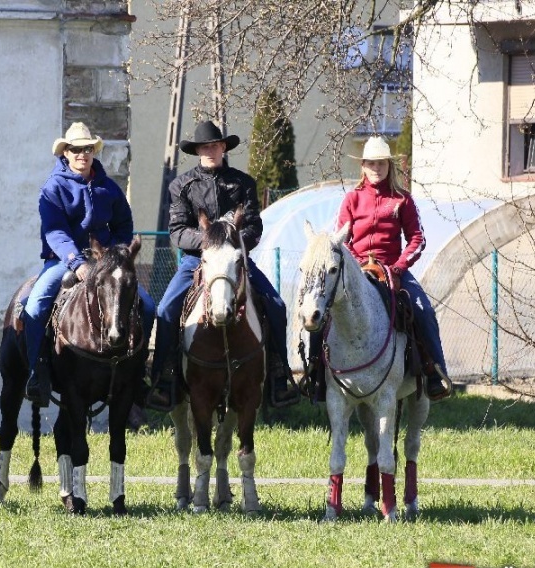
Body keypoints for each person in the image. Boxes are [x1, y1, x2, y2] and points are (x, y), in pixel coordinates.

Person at [147, 120, 299, 410]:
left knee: (277, 306)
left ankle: (279, 375)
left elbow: (254, 227)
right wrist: (210, 242)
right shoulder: (181, 185)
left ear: (223, 148)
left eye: (215, 146)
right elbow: (177, 231)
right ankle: (164, 379)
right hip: (197, 260)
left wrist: (231, 243)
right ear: (197, 151)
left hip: (235, 260)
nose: (210, 151)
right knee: (166, 309)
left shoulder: (244, 183)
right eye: (205, 147)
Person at [307, 135, 452, 401]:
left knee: (423, 309)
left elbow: (417, 239)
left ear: (389, 165)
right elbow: (342, 241)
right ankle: (315, 374)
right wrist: (355, 265)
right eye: (371, 163)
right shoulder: (351, 199)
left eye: (381, 163)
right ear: (363, 166)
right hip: (356, 270)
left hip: (394, 269)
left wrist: (398, 268)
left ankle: (435, 372)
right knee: (322, 310)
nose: (376, 168)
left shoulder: (402, 200)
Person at [24, 122, 155, 406]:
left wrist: (114, 255)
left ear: (93, 152)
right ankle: (37, 371)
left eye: (87, 149)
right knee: (34, 307)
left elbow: (124, 225)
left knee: (147, 306)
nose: (81, 154)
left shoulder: (109, 188)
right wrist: (77, 262)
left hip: (105, 262)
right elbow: (55, 232)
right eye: (75, 149)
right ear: (65, 153)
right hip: (63, 261)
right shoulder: (53, 188)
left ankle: (137, 374)